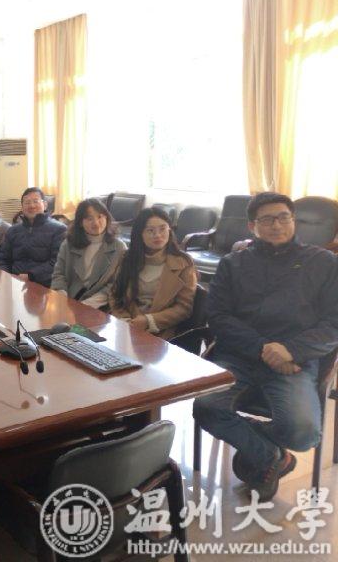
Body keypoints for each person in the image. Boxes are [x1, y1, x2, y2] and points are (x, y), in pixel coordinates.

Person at [193, 192, 338, 501]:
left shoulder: (324, 262)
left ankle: (258, 451)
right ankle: (272, 456)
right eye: (267, 219)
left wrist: (291, 350)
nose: (277, 225)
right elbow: (217, 316)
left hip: (293, 363)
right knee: (205, 407)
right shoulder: (233, 263)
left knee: (304, 433)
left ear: (293, 220)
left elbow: (333, 323)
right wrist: (264, 348)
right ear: (252, 226)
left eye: (284, 217)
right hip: (239, 356)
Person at [108, 208, 197, 339]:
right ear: (140, 234)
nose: (158, 235)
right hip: (125, 326)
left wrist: (148, 321)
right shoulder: (127, 258)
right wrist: (124, 320)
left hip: (162, 332)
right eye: (150, 230)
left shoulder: (184, 263)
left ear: (170, 230)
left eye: (162, 229)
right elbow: (115, 295)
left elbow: (184, 308)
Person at [51, 198, 127, 309]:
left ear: (107, 217)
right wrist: (62, 297)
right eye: (89, 218)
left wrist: (86, 305)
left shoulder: (119, 248)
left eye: (100, 217)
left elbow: (115, 285)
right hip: (69, 299)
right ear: (80, 222)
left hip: (100, 305)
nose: (96, 223)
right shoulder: (69, 243)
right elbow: (59, 274)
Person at [0, 187, 66, 287]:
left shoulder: (59, 230)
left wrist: (31, 276)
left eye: (35, 201)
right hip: (15, 283)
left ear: (45, 205)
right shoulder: (13, 230)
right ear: (22, 207)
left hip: (45, 285)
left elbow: (57, 263)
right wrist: (7, 276)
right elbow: (2, 258)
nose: (31, 206)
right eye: (27, 202)